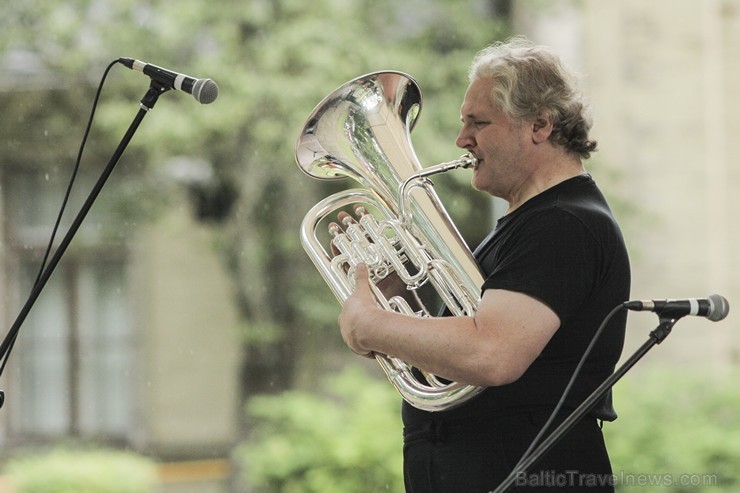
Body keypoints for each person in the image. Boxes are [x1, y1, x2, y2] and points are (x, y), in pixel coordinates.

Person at [336, 36, 631, 492]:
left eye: (478, 122)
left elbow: (491, 354)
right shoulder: (527, 223)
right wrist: (395, 298)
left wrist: (370, 326)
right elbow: (456, 359)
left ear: (539, 125)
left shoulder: (564, 224)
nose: (461, 140)